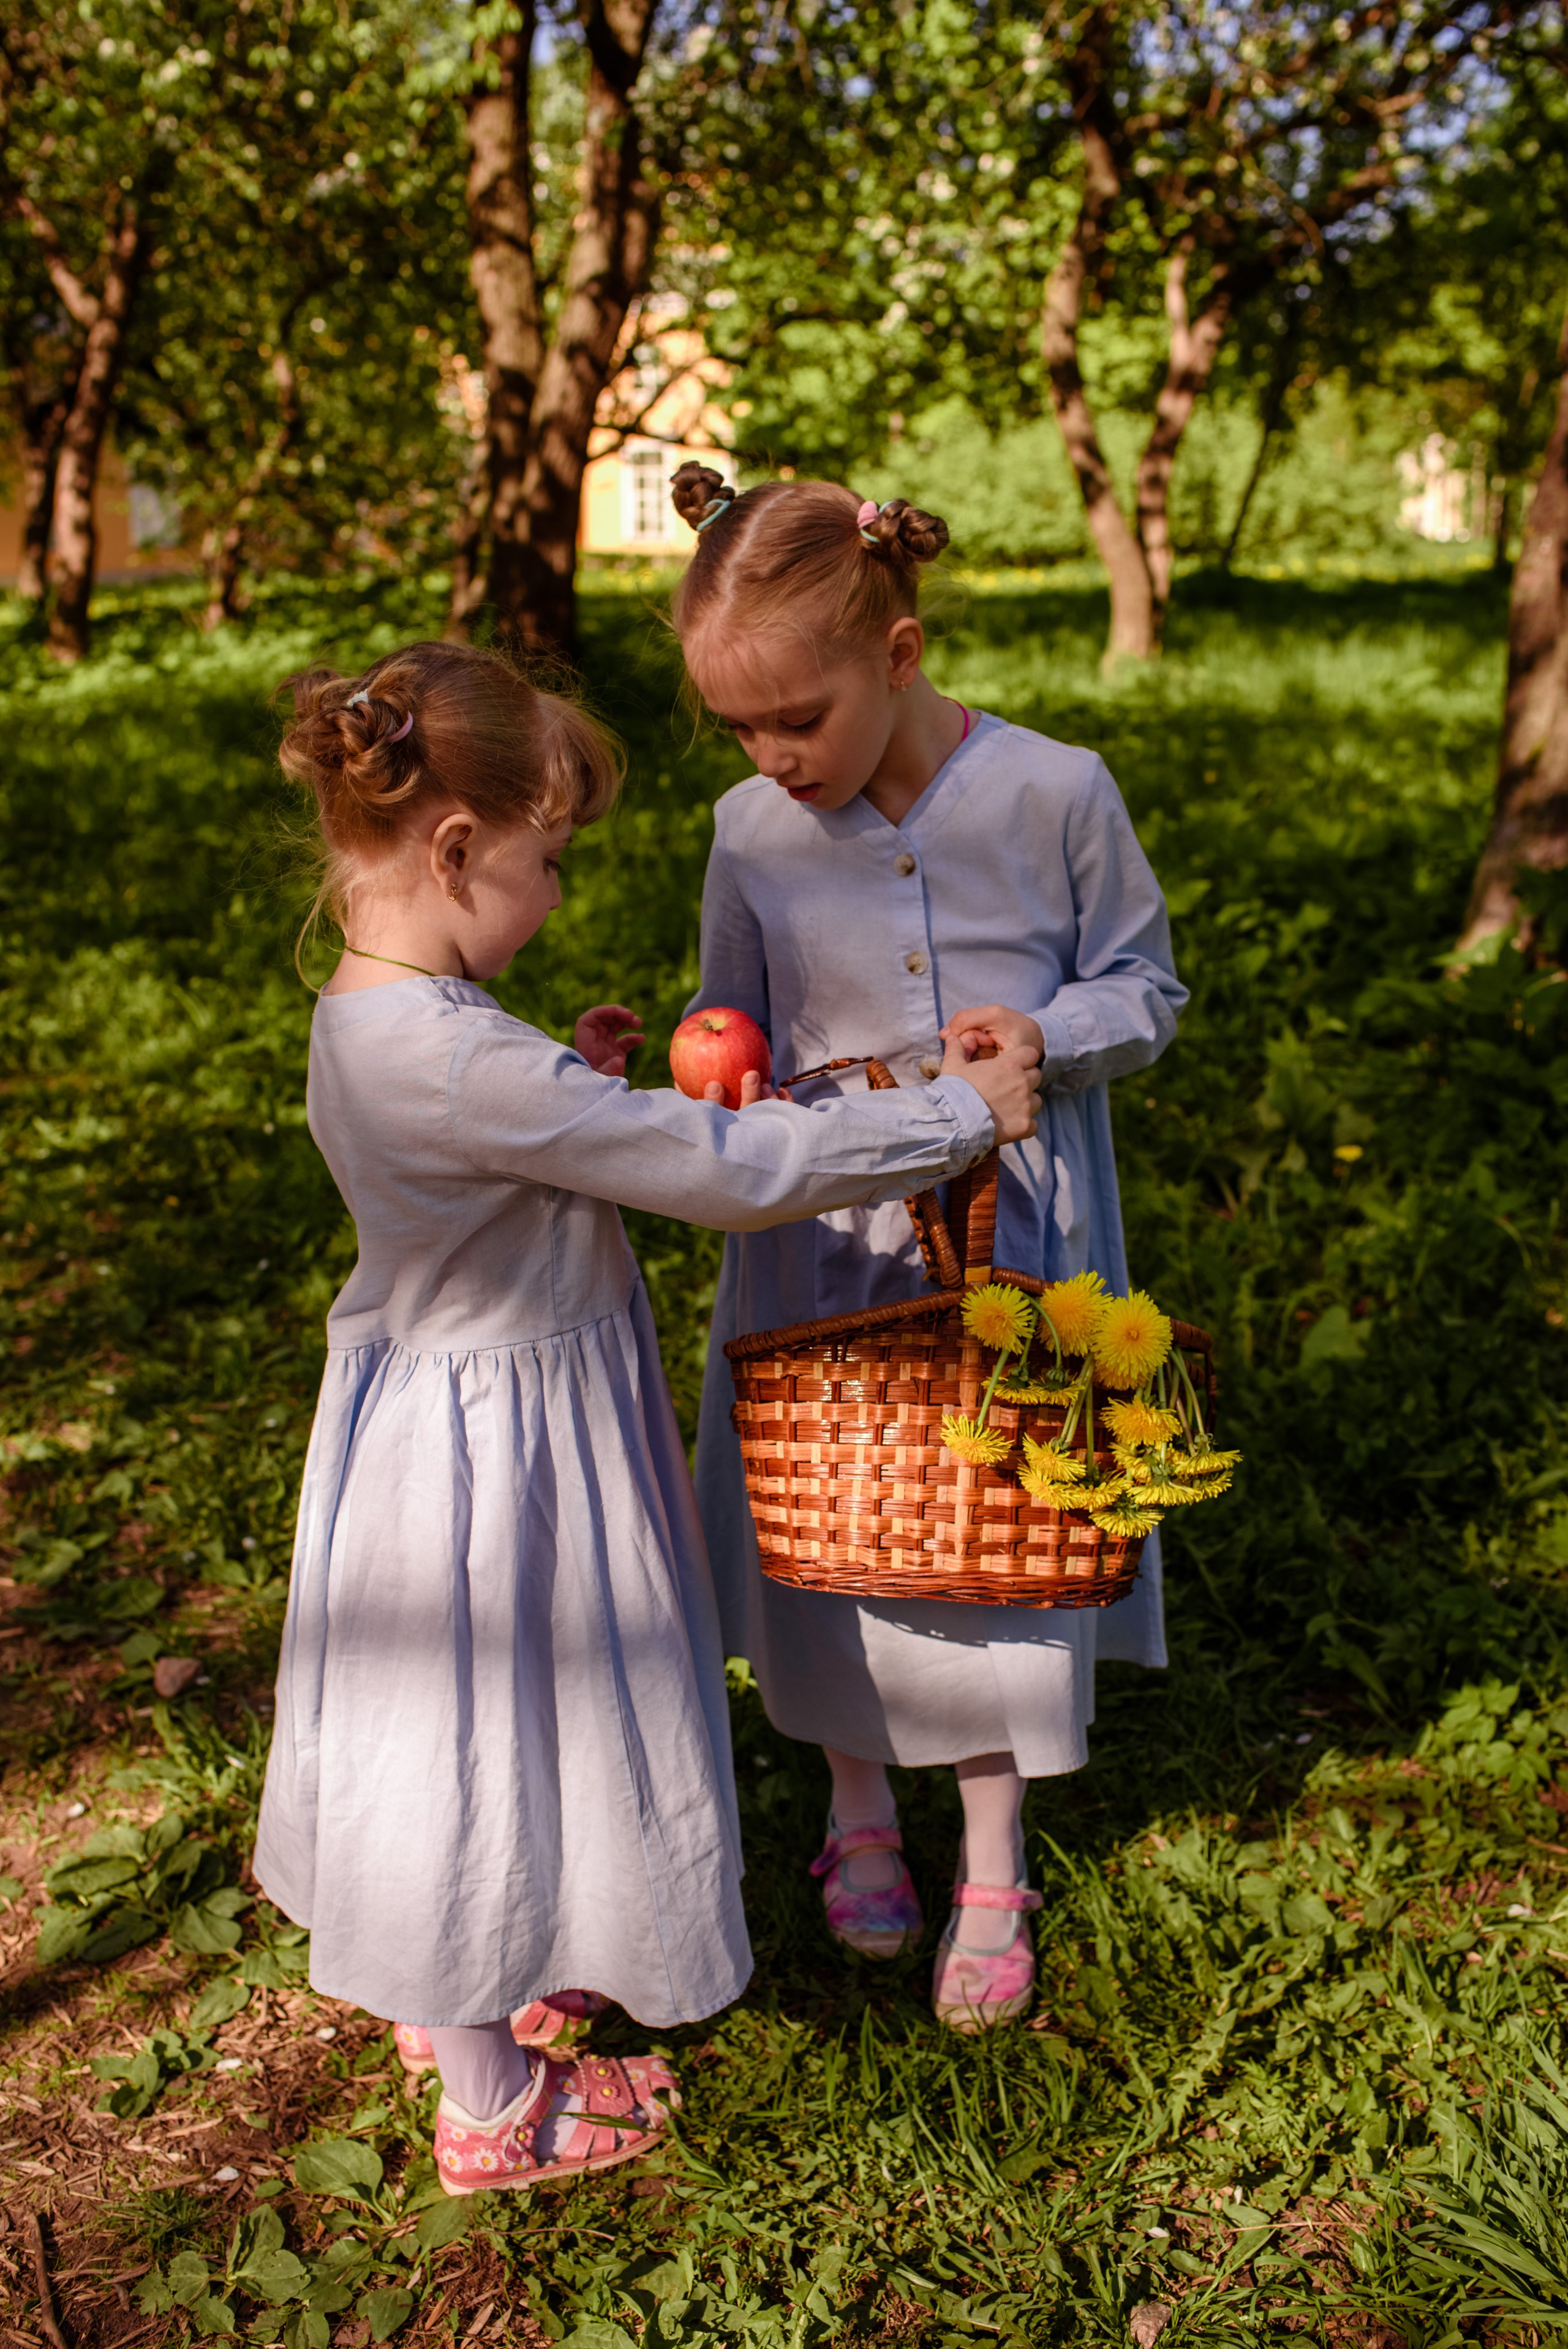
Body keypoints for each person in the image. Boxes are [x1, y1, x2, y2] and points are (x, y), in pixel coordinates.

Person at [252, 639, 1041, 2192]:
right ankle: (492, 2105)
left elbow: (494, 1135)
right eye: (546, 861)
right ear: (455, 849)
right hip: (503, 1460)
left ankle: (469, 1976)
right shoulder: (463, 1060)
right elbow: (719, 1171)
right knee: (483, 1731)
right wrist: (953, 1118)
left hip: (438, 1429)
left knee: (481, 1728)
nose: (556, 894)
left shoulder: (378, 1008)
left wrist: (575, 1078)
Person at [668, 464, 1187, 2032]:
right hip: (822, 1238)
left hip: (1011, 1231)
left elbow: (1143, 988)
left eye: (797, 720)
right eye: (740, 731)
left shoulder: (1053, 793)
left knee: (996, 1524)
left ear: (896, 653)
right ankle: (854, 1807)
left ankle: (992, 1854)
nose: (773, 758)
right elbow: (729, 1010)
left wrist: (1044, 1034)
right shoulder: (750, 829)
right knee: (835, 1509)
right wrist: (718, 1068)